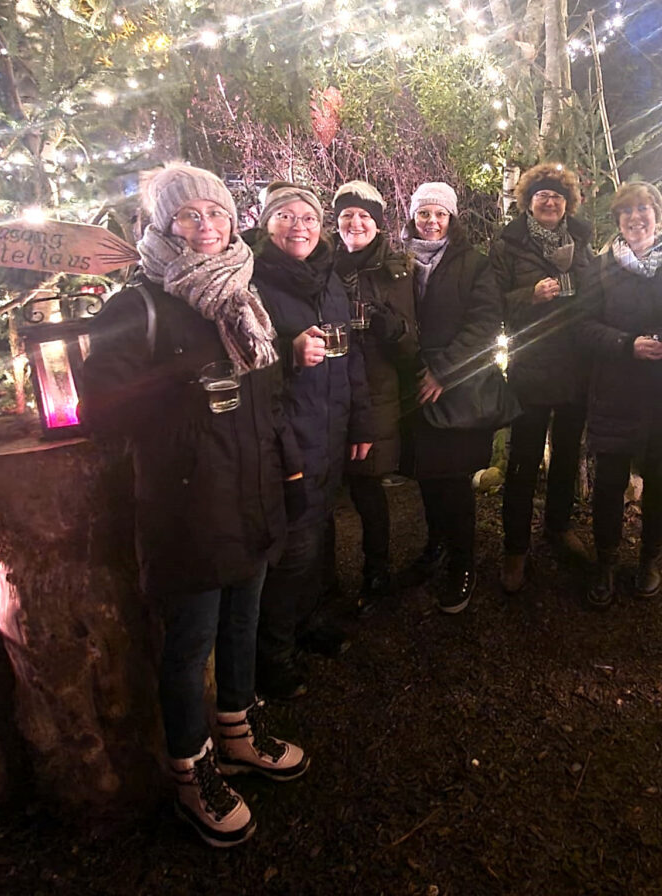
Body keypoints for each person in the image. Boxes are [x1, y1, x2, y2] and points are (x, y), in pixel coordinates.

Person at [80, 162, 307, 850]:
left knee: (245, 623)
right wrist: (182, 379)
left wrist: (288, 467)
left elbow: (267, 394)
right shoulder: (138, 304)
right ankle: (191, 772)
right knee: (189, 647)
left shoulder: (245, 289)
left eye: (214, 213)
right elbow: (98, 409)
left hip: (253, 489)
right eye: (188, 216)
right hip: (188, 503)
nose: (205, 226)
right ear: (163, 225)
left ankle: (239, 731)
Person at [250, 183, 373, 693]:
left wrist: (362, 419)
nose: (298, 225)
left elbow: (352, 355)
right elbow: (235, 363)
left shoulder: (330, 278)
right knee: (293, 545)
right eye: (285, 216)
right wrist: (287, 350)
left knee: (320, 530)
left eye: (307, 216)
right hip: (283, 433)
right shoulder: (251, 280)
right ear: (265, 224)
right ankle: (273, 655)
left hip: (331, 423)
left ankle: (308, 624)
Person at [577, 181, 662, 609]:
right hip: (616, 389)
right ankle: (606, 561)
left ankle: (649, 560)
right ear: (618, 221)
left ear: (657, 215)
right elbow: (583, 327)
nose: (635, 217)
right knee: (609, 482)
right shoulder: (600, 267)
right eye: (626, 211)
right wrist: (626, 344)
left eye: (643, 209)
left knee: (659, 478)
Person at [490, 162, 593, 593]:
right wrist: (527, 297)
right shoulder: (508, 243)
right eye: (542, 195)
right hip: (531, 364)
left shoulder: (583, 240)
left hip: (576, 364)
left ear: (567, 203)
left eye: (557, 195)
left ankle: (558, 527)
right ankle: (515, 549)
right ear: (528, 201)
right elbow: (490, 303)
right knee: (523, 461)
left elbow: (597, 294)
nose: (550, 201)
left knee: (568, 455)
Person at [401, 181, 503, 614]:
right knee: (426, 474)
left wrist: (444, 371)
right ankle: (437, 545)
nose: (431, 222)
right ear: (412, 217)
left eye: (439, 214)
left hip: (457, 385)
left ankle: (464, 563)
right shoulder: (399, 261)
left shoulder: (474, 263)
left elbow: (484, 323)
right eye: (424, 214)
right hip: (411, 381)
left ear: (451, 219)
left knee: (454, 477)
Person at [332, 180, 419, 615]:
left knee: (367, 483)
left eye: (365, 215)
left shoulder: (398, 269)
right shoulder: (322, 264)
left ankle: (377, 571)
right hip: (330, 387)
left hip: (377, 386)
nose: (355, 222)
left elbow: (413, 343)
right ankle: (323, 581)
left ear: (379, 223)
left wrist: (394, 331)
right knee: (326, 487)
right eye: (347, 214)